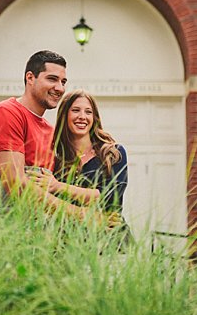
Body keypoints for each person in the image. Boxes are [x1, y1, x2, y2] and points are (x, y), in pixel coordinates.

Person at [0, 50, 86, 217]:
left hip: (39, 236)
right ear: (30, 78)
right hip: (1, 234)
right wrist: (80, 214)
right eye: (52, 79)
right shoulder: (7, 113)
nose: (60, 88)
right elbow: (16, 184)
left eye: (63, 82)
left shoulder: (51, 131)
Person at [29, 89, 129, 218]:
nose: (82, 116)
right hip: (69, 237)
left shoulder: (113, 154)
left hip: (111, 235)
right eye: (76, 110)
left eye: (88, 112)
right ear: (64, 116)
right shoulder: (56, 160)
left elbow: (109, 197)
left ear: (94, 118)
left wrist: (57, 186)